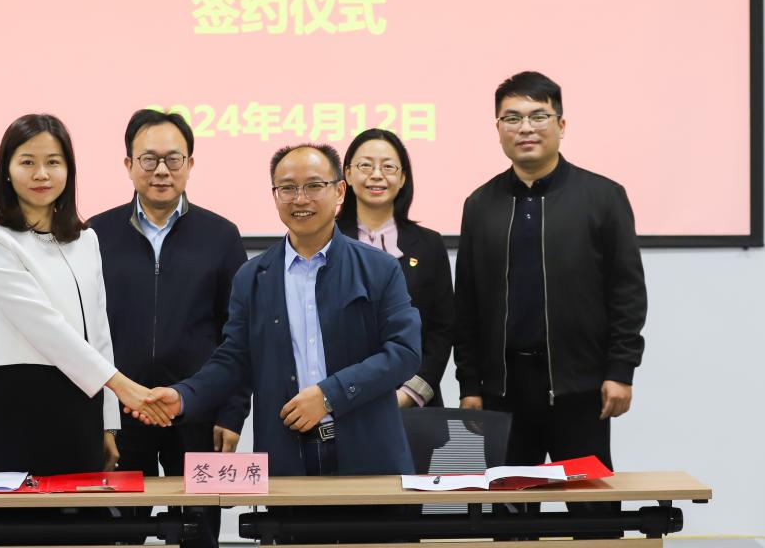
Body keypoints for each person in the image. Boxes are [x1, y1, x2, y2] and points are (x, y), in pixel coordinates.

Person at [136, 143, 421, 478]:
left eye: (314, 186)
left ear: (340, 191)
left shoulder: (379, 268)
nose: (300, 199)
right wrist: (183, 396)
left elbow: (404, 352)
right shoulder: (253, 277)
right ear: (274, 195)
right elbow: (232, 361)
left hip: (369, 455)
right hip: (289, 458)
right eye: (287, 188)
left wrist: (329, 395)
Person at [453, 71, 647, 477]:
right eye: (512, 118)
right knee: (508, 508)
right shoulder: (480, 204)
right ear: (498, 129)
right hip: (503, 391)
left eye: (538, 116)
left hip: (580, 388)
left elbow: (626, 293)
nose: (525, 128)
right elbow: (467, 303)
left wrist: (620, 371)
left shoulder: (603, 197)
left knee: (592, 506)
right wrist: (469, 385)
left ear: (561, 124)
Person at [0, 113, 170, 480]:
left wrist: (109, 423)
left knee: (81, 513)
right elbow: (46, 327)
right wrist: (122, 386)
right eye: (27, 162)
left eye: (53, 162)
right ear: (7, 171)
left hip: (81, 403)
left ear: (69, 170)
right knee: (12, 514)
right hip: (16, 404)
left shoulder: (86, 239)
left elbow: (99, 332)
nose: (41, 174)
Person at [87, 110, 247, 548]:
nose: (161, 170)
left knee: (200, 534)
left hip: (199, 417)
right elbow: (83, 332)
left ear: (190, 164)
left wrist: (232, 413)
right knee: (118, 536)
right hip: (120, 416)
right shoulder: (94, 234)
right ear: (128, 164)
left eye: (173, 159)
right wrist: (98, 418)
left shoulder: (221, 235)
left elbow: (237, 334)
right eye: (149, 159)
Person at [337, 128, 454, 408]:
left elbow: (442, 328)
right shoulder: (326, 241)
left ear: (402, 178)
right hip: (340, 403)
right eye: (366, 165)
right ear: (348, 175)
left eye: (388, 167)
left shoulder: (429, 244)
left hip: (413, 406)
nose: (377, 175)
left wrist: (411, 394)